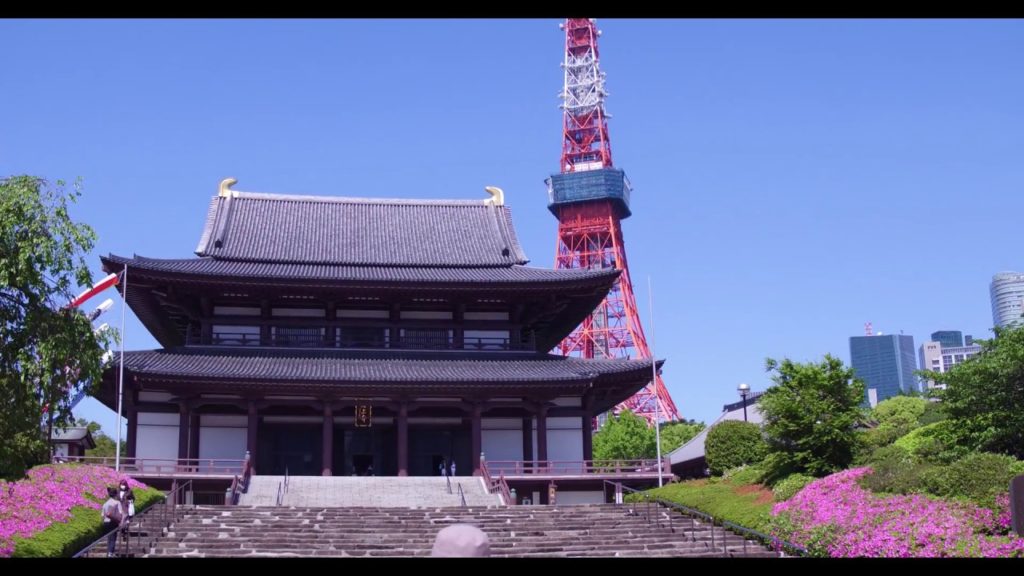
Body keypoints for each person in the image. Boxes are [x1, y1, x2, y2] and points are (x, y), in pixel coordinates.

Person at [101, 486, 124, 557]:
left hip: (106, 522)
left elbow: (102, 515)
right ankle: (111, 553)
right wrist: (120, 521)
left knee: (109, 537)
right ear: (116, 494)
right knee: (113, 537)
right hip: (113, 522)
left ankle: (109, 552)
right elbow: (120, 513)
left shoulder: (105, 504)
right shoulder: (117, 502)